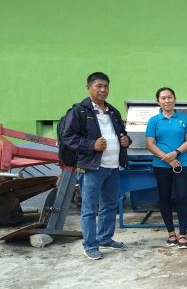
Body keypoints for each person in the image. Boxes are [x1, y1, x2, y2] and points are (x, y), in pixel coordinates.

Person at [63, 72, 132, 260]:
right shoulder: (79, 111)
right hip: (92, 168)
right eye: (98, 86)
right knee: (89, 208)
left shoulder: (113, 111)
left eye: (106, 86)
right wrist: (91, 145)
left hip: (113, 167)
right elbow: (67, 137)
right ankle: (90, 245)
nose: (103, 90)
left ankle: (105, 238)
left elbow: (122, 134)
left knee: (110, 205)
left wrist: (126, 140)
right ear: (89, 87)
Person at [146, 87, 187, 249]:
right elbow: (150, 144)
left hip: (181, 164)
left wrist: (176, 153)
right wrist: (166, 159)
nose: (167, 101)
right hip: (161, 165)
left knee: (181, 197)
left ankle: (182, 234)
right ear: (158, 101)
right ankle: (170, 233)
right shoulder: (154, 121)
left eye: (170, 97)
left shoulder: (184, 119)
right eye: (163, 98)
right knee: (164, 198)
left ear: (175, 99)